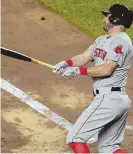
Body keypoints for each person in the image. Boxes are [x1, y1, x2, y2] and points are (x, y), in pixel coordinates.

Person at [55, 4, 133, 153]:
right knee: (109, 148)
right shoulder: (103, 39)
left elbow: (106, 69)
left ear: (115, 19)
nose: (104, 19)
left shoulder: (121, 42)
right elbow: (84, 57)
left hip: (109, 99)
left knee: (75, 138)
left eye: (107, 16)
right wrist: (67, 63)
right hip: (114, 100)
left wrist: (77, 71)